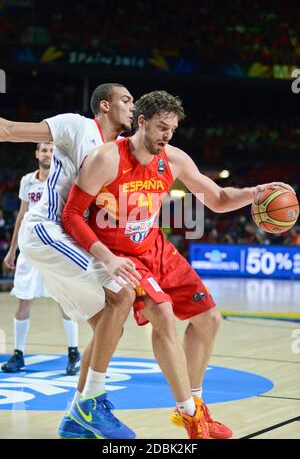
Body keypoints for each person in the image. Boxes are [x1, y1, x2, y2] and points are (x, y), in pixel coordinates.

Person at [62, 90, 295, 440]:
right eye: (161, 127)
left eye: (171, 129)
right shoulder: (107, 158)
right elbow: (72, 214)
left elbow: (216, 199)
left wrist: (254, 192)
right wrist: (106, 257)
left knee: (208, 319)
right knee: (164, 314)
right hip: (121, 254)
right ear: (141, 122)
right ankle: (191, 418)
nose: (167, 135)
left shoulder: (173, 159)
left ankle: (193, 405)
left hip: (156, 248)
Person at [0, 83, 140, 440]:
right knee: (122, 293)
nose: (132, 105)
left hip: (67, 239)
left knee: (109, 325)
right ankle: (93, 402)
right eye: (127, 100)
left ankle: (75, 415)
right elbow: (9, 129)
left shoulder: (116, 151)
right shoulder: (76, 126)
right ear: (105, 106)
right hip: (46, 230)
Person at [1, 142, 80, 375]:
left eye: (52, 150)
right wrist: (12, 249)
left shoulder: (65, 178)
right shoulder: (28, 180)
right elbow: (21, 216)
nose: (48, 154)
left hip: (54, 245)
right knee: (23, 300)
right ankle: (18, 354)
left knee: (64, 300)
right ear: (37, 154)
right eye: (44, 150)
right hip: (29, 247)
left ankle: (73, 352)